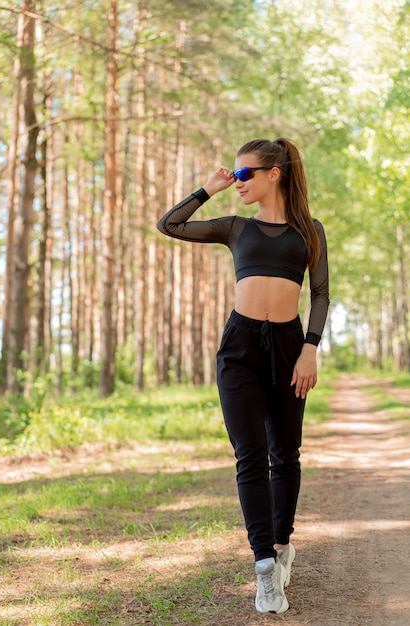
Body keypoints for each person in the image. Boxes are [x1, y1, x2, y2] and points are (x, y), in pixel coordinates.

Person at [157, 138, 329, 614]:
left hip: (291, 347)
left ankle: (281, 543)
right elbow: (169, 225)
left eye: (244, 174)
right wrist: (208, 189)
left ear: (275, 173)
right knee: (249, 457)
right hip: (240, 348)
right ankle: (264, 571)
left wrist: (310, 350)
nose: (238, 182)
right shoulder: (235, 227)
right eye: (234, 175)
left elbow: (320, 295)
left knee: (285, 453)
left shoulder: (308, 231)